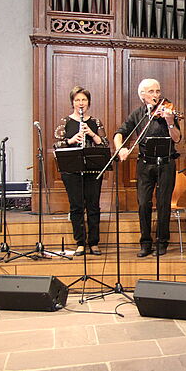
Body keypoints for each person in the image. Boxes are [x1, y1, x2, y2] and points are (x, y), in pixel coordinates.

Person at [113, 78, 182, 257]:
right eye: (151, 92)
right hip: (144, 163)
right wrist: (121, 149)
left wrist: (170, 122)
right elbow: (120, 133)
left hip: (166, 162)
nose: (156, 95)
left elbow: (176, 138)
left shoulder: (168, 111)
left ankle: (162, 241)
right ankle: (145, 242)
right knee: (143, 203)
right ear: (142, 95)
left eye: (157, 91)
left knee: (163, 203)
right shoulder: (138, 115)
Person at [53, 86, 109, 256]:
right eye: (77, 100)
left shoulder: (96, 122)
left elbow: (104, 144)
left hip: (92, 171)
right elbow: (57, 145)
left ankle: (94, 243)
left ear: (88, 102)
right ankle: (80, 243)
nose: (81, 103)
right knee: (76, 207)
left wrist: (91, 133)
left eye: (84, 100)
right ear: (72, 102)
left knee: (93, 207)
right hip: (72, 171)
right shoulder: (65, 122)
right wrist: (71, 140)